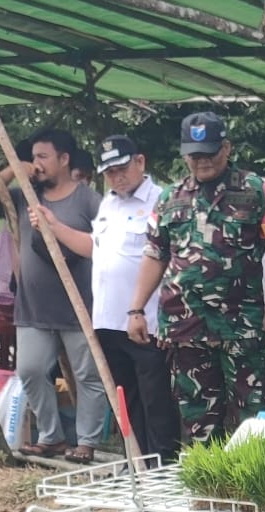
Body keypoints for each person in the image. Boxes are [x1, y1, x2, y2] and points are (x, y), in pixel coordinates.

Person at [125, 111, 265, 443]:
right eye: (194, 155)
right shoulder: (169, 197)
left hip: (242, 325)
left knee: (254, 416)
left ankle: (258, 489)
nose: (202, 161)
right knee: (196, 419)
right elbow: (155, 254)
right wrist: (135, 310)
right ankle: (207, 490)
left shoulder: (257, 189)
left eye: (210, 152)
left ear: (226, 148)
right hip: (185, 327)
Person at [0, 128, 105, 463]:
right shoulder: (23, 195)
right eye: (33, 157)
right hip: (32, 306)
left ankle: (87, 441)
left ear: (64, 160)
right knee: (30, 370)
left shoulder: (87, 199)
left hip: (78, 305)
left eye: (43, 157)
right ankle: (52, 436)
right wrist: (13, 168)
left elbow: (104, 244)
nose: (37, 164)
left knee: (87, 375)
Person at [90, 134, 179, 460]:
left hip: (147, 323)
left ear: (140, 162)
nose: (116, 177)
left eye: (122, 168)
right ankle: (138, 465)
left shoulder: (162, 200)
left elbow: (170, 260)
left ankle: (163, 466)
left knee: (155, 399)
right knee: (126, 400)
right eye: (109, 172)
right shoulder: (107, 204)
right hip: (107, 321)